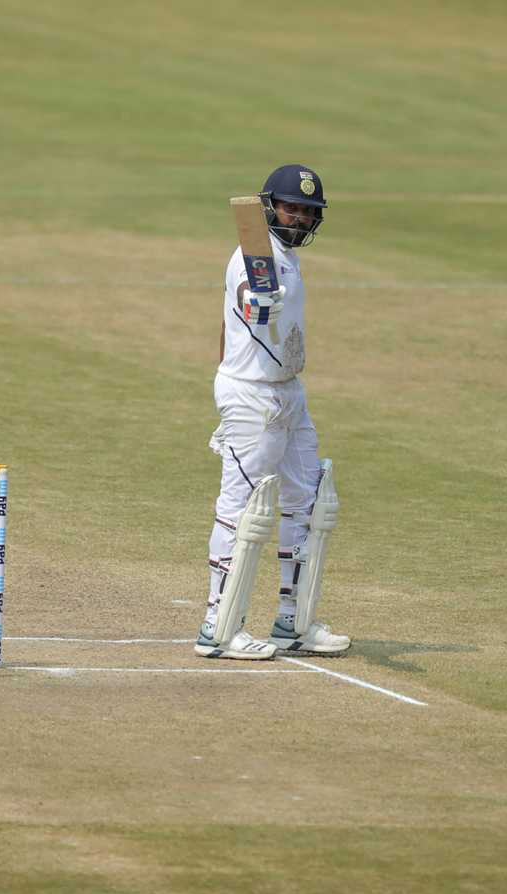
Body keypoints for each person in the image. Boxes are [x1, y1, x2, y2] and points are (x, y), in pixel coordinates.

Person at [196, 165, 351, 660]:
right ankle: (218, 626)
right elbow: (246, 300)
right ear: (270, 207)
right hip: (252, 398)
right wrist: (258, 305)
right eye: (293, 208)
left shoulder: (283, 256)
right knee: (242, 508)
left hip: (288, 391)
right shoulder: (251, 258)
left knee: (309, 502)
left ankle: (294, 620)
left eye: (309, 212)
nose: (301, 218)